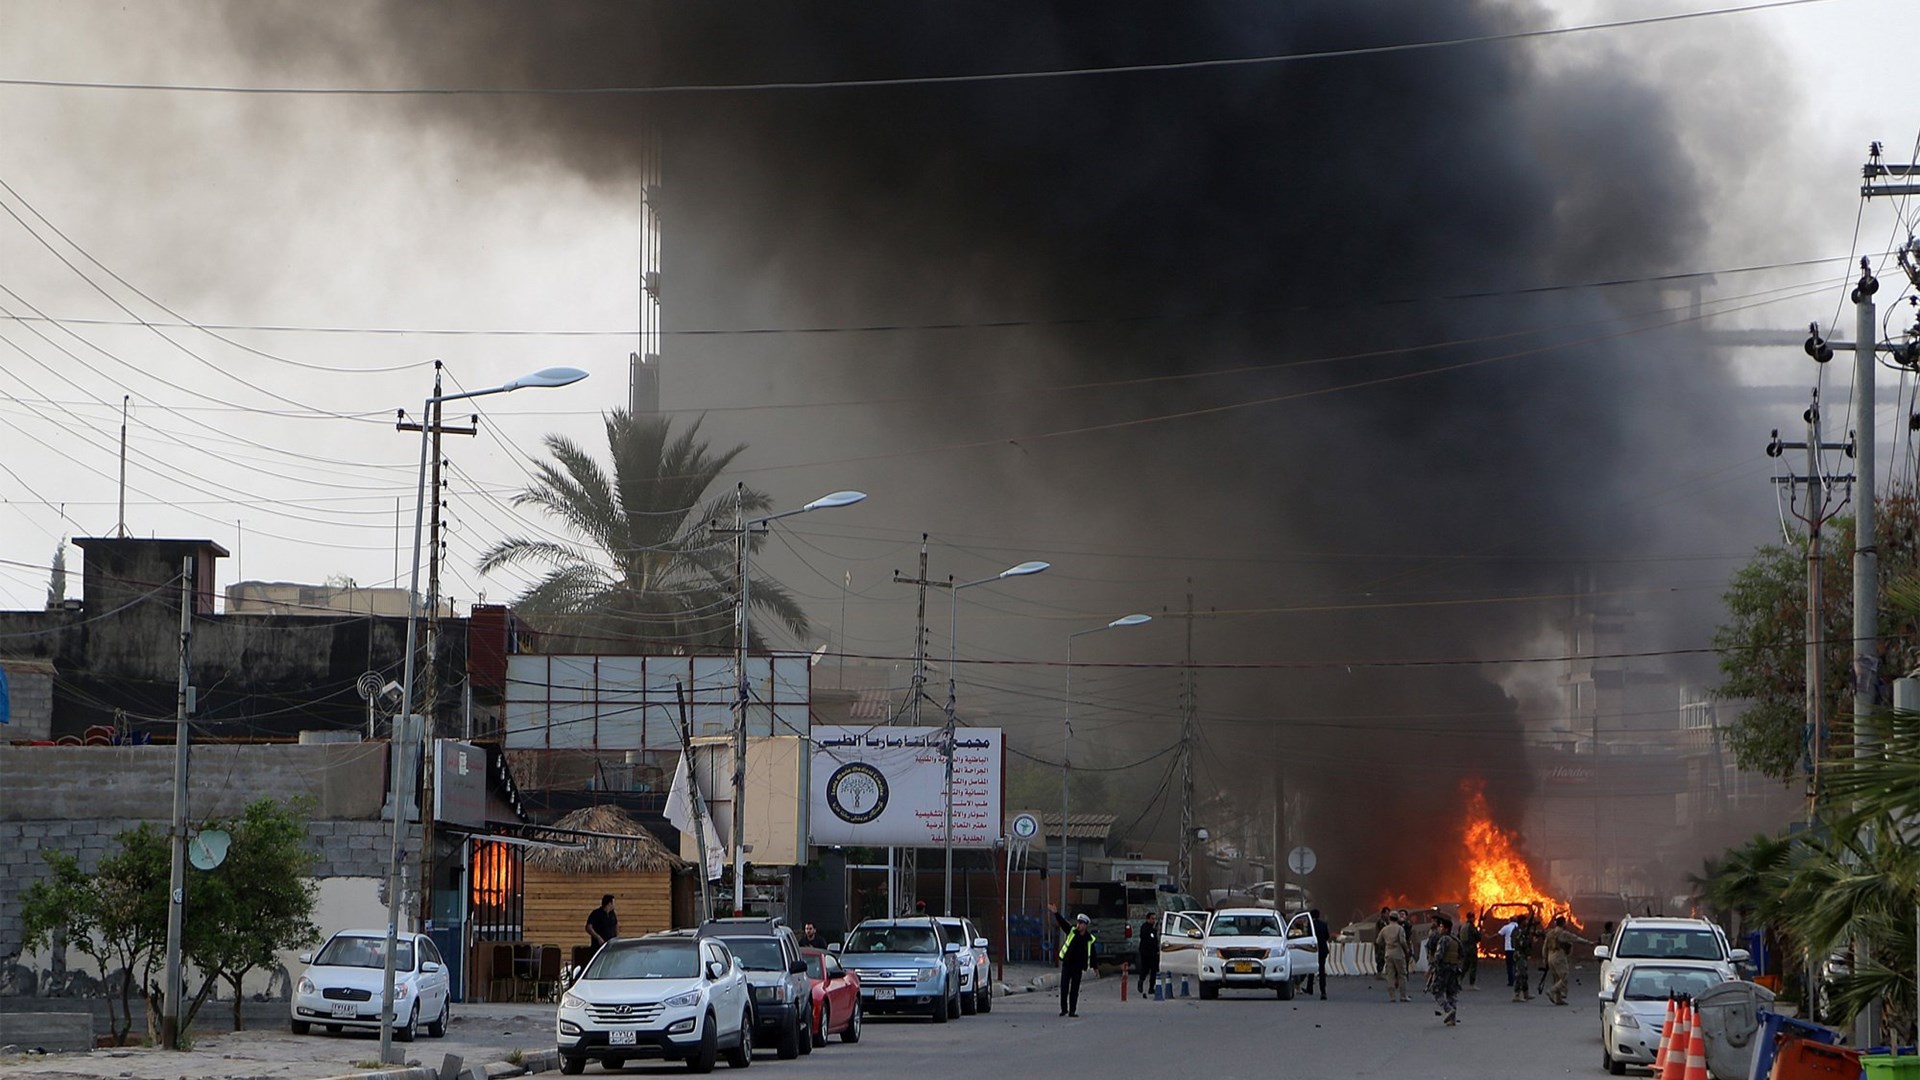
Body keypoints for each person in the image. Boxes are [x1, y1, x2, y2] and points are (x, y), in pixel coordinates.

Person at [1049, 904, 1095, 1017]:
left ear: (1086, 925)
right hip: (1067, 964)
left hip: (1078, 967)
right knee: (1064, 988)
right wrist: (1056, 913)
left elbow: (1093, 954)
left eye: (1081, 923)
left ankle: (1072, 1011)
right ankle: (1064, 1009)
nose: (1079, 925)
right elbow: (1063, 924)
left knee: (1074, 990)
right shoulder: (1072, 932)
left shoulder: (1089, 939)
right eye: (1078, 923)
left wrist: (1095, 967)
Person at [1541, 916, 1592, 1005]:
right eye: (1565, 922)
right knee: (1564, 976)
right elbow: (1576, 939)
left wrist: (1544, 958)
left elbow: (1545, 946)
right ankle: (1551, 991)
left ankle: (1558, 999)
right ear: (1563, 923)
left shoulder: (1550, 933)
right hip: (1559, 956)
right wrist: (1589, 943)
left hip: (1550, 956)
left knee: (1556, 978)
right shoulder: (1563, 933)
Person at [1427, 913, 1464, 1026]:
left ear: (1446, 928)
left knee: (1436, 991)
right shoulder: (1456, 939)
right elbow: (1461, 954)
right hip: (1454, 969)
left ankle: (1448, 1010)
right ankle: (1452, 1019)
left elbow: (1438, 956)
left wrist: (1430, 969)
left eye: (1441, 927)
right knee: (1451, 993)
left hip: (1443, 969)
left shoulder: (1444, 939)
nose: (1440, 929)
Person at [1378, 911, 1411, 1002]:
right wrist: (1407, 949)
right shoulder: (1400, 929)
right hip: (1398, 954)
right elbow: (1402, 941)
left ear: (1389, 918)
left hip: (1388, 953)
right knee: (1402, 975)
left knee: (1390, 975)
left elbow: (1378, 941)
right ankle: (1403, 996)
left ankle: (1392, 996)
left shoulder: (1384, 929)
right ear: (1397, 919)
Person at [1301, 909, 1331, 1000]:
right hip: (1323, 949)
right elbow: (1327, 937)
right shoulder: (1323, 924)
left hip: (1313, 949)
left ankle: (1309, 988)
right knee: (1321, 970)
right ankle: (1323, 992)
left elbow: (1308, 936)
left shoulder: (1311, 925)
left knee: (1312, 968)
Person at [1509, 913, 1536, 1002]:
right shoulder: (1519, 932)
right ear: (1522, 921)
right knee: (1519, 975)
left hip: (1522, 955)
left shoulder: (1522, 931)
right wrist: (1528, 939)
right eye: (1525, 920)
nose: (1527, 922)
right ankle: (1517, 995)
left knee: (1524, 975)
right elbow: (1522, 944)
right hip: (1519, 954)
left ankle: (1526, 994)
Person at [1135, 916, 1160, 995]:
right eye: (1152, 918)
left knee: (1154, 971)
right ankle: (1141, 981)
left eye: (1154, 919)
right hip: (1146, 952)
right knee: (1145, 969)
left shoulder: (1154, 928)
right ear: (1148, 919)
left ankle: (1151, 988)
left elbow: (1155, 940)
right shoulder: (1145, 927)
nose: (1154, 920)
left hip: (1153, 953)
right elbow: (1149, 938)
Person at [1458, 912, 1480, 991]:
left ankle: (1459, 981)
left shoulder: (1462, 926)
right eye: (1473, 917)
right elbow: (1478, 938)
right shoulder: (1471, 927)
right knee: (1473, 966)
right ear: (1471, 918)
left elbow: (1458, 936)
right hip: (1471, 949)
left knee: (1465, 966)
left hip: (1464, 948)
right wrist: (1478, 930)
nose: (1474, 919)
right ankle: (1472, 984)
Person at [1497, 914, 1520, 987]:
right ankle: (1518, 980)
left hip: (1509, 949)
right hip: (1517, 949)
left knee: (1509, 966)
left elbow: (1499, 934)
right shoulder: (1519, 927)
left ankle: (1511, 981)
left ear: (1509, 920)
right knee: (1517, 965)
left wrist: (1489, 937)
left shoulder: (1506, 927)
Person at [1373, 906, 1392, 978]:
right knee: (1380, 957)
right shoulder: (1381, 921)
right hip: (1380, 942)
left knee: (1384, 957)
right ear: (1383, 914)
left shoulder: (1387, 921)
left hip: (1385, 942)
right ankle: (1379, 973)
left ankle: (1382, 972)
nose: (1388, 915)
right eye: (1387, 913)